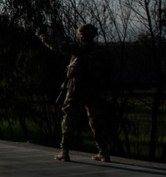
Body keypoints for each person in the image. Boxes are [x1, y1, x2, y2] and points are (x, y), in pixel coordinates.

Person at [36, 23, 111, 163]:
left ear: (81, 36)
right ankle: (103, 152)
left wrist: (42, 36)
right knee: (96, 119)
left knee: (69, 117)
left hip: (78, 88)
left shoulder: (79, 50)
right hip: (95, 89)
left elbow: (56, 46)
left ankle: (64, 151)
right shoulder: (101, 51)